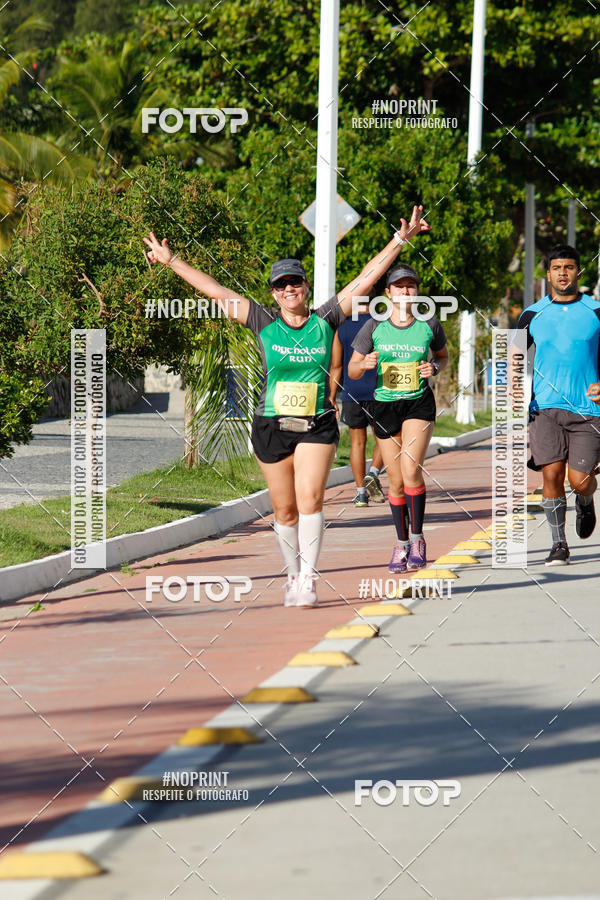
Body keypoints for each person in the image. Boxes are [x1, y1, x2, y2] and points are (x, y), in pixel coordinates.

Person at [143, 206, 431, 606]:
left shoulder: (326, 318)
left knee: (311, 497)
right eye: (282, 285)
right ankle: (293, 574)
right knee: (285, 510)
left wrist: (399, 241)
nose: (289, 289)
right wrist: (172, 260)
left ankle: (308, 578)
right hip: (271, 424)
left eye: (295, 282)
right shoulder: (262, 321)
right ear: (274, 293)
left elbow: (366, 278)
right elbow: (216, 292)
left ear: (306, 287)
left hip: (316, 423)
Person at [348, 264, 448, 573]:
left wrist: (435, 367)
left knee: (410, 470)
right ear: (388, 293)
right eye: (399, 287)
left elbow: (442, 356)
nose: (406, 292)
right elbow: (352, 370)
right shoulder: (373, 326)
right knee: (394, 481)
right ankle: (401, 543)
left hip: (418, 404)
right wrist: (364, 362)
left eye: (411, 286)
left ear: (417, 292)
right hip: (385, 405)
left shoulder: (429, 323)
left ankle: (418, 539)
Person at [517, 245, 600, 566]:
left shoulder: (595, 311)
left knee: (579, 479)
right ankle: (558, 544)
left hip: (588, 409)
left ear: (579, 272)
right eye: (556, 268)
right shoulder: (532, 314)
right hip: (544, 409)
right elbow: (510, 356)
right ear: (547, 274)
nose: (562, 273)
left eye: (568, 267)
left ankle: (585, 498)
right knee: (551, 475)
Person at [329, 300, 386, 507]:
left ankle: (361, 494)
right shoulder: (382, 323)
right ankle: (373, 473)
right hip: (379, 391)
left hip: (351, 391)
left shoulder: (341, 327)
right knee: (385, 439)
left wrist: (332, 397)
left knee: (357, 443)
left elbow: (336, 366)